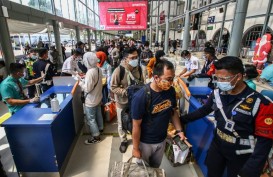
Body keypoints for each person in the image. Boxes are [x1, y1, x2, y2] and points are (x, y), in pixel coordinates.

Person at [180, 56, 273, 177]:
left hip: (241, 152)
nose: (219, 82)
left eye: (223, 79)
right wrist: (181, 120)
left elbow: (264, 143)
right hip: (217, 146)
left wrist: (251, 169)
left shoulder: (261, 104)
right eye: (217, 78)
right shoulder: (218, 93)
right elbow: (204, 110)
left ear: (238, 76)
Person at [131, 59, 185, 168]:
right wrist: (136, 148)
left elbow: (173, 112)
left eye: (172, 79)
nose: (171, 82)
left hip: (162, 139)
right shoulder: (141, 97)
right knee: (143, 171)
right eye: (168, 79)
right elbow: (136, 125)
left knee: (156, 167)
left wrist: (179, 130)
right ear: (156, 78)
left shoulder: (170, 91)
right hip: (145, 143)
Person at [111, 47, 144, 153]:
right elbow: (113, 87)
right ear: (126, 59)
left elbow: (142, 83)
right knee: (121, 123)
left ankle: (137, 139)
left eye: (136, 57)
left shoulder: (138, 69)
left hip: (136, 102)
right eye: (132, 57)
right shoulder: (119, 70)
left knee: (136, 121)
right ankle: (123, 140)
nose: (135, 59)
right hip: (122, 102)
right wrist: (126, 92)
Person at [79, 52, 103, 144]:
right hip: (98, 97)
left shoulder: (90, 72)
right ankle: (100, 128)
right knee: (98, 113)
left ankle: (96, 137)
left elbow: (87, 88)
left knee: (91, 118)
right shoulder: (98, 69)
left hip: (91, 100)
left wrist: (80, 82)